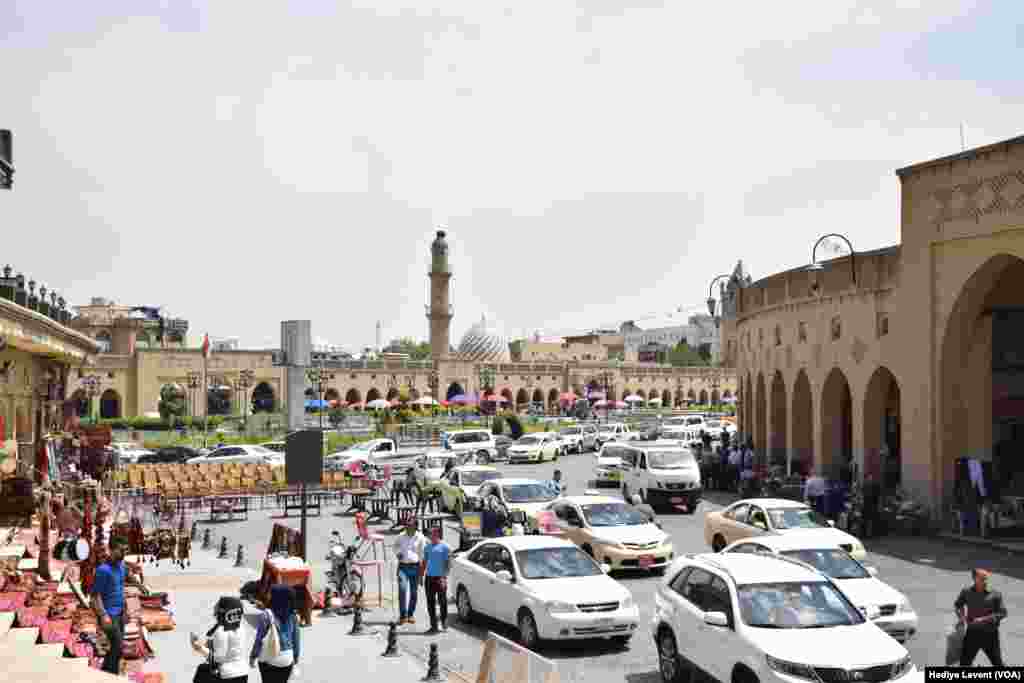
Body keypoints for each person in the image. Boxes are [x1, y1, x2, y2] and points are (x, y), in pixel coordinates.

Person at [92, 536, 129, 674]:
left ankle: (106, 674)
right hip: (109, 615)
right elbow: (95, 596)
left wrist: (125, 610)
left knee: (117, 648)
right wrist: (103, 615)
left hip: (119, 614)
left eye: (125, 550)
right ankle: (110, 675)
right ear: (112, 550)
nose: (124, 554)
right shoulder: (103, 570)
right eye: (121, 551)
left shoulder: (122, 567)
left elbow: (121, 588)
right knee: (118, 646)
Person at [955, 568, 1007, 666]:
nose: (985, 581)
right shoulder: (967, 592)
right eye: (983, 579)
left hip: (990, 635)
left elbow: (1002, 613)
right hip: (972, 634)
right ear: (975, 579)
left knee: (997, 663)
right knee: (964, 663)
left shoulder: (995, 594)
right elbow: (958, 605)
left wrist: (983, 619)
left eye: (986, 578)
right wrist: (961, 617)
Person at [251, 584, 301, 683]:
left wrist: (253, 655)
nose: (269, 596)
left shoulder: (266, 615)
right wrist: (295, 657)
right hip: (287, 658)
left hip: (271, 657)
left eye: (271, 594)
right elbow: (296, 639)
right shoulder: (293, 616)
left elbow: (259, 639)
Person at [191, 596, 248, 682]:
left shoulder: (221, 631)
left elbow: (219, 658)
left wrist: (199, 648)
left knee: (201, 672)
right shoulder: (241, 628)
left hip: (227, 674)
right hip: (243, 672)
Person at [393, 517, 426, 625]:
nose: (407, 527)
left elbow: (422, 555)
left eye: (410, 525)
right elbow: (395, 546)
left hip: (415, 567)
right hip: (403, 566)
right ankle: (403, 615)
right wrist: (398, 553)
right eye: (406, 525)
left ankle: (410, 614)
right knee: (402, 589)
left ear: (415, 526)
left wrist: (421, 573)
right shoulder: (401, 536)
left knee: (413, 592)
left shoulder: (420, 538)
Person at [420, 527, 452, 634]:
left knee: (442, 601)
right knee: (430, 602)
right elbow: (424, 562)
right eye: (429, 533)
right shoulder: (427, 547)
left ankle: (444, 621)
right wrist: (421, 575)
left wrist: (444, 577)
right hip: (429, 578)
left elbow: (448, 564)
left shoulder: (445, 547)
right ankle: (433, 626)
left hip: (440, 578)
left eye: (432, 533)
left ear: (437, 534)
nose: (430, 535)